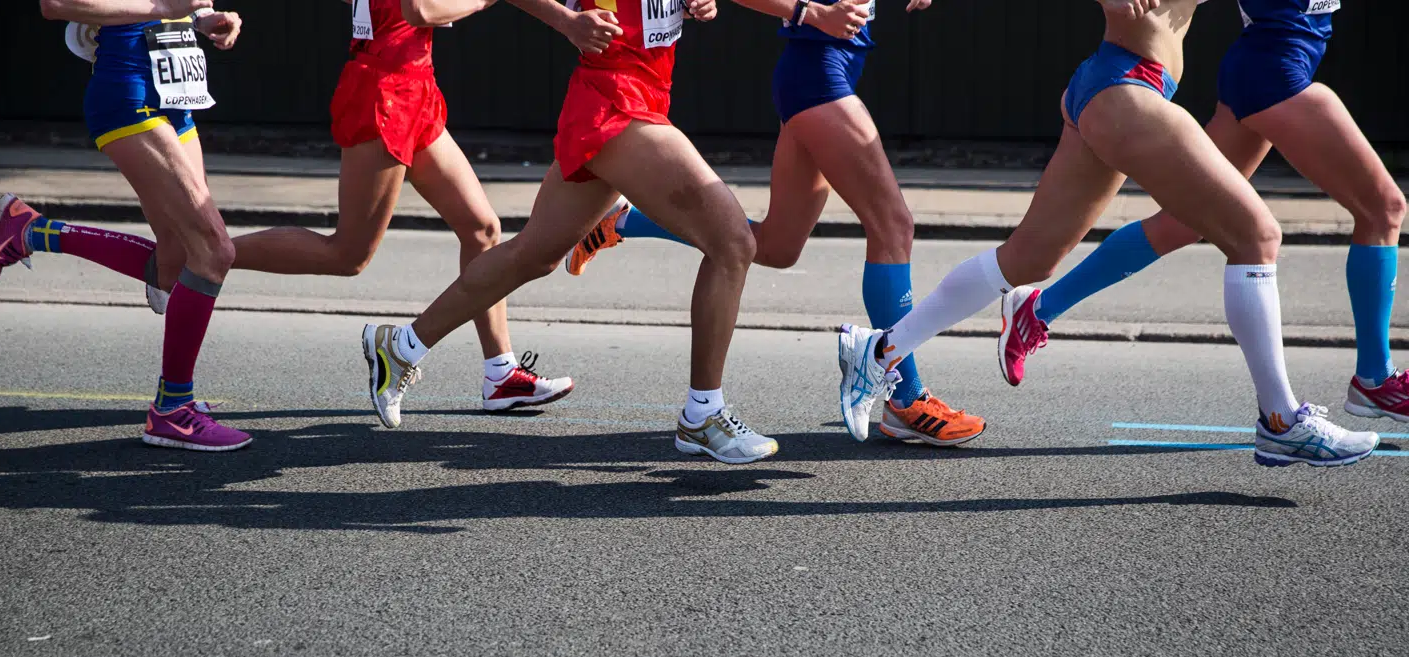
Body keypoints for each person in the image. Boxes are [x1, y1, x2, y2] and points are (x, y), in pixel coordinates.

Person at [836, 0, 1380, 467]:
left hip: (1116, 84)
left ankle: (880, 349)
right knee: (1256, 235)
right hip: (1125, 89)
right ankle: (1281, 421)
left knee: (1027, 259)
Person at [361, 0, 780, 463]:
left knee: (533, 255)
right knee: (733, 244)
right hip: (615, 103)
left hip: (639, 94)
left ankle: (402, 344)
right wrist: (567, 21)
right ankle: (703, 414)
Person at [561, 0, 984, 446]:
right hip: (818, 76)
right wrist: (811, 13)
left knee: (778, 247)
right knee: (893, 227)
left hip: (825, 72)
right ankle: (907, 398)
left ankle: (622, 222)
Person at [1000, 0, 1408, 424]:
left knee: (1180, 223)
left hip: (1272, 65)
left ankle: (1038, 309)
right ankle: (1374, 380)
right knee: (1384, 209)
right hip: (1274, 71)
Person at [226, 0, 596, 412]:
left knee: (482, 229)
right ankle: (209, 254)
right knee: (348, 254)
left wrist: (564, 18)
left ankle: (501, 374)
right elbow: (421, 9)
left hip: (414, 81)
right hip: (382, 88)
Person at [0, 0, 251, 452]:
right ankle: (172, 410)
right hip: (130, 91)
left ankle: (30, 231)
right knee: (214, 251)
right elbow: (56, 5)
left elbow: (182, 7)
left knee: (175, 261)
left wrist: (206, 21)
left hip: (176, 88)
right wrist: (165, 6)